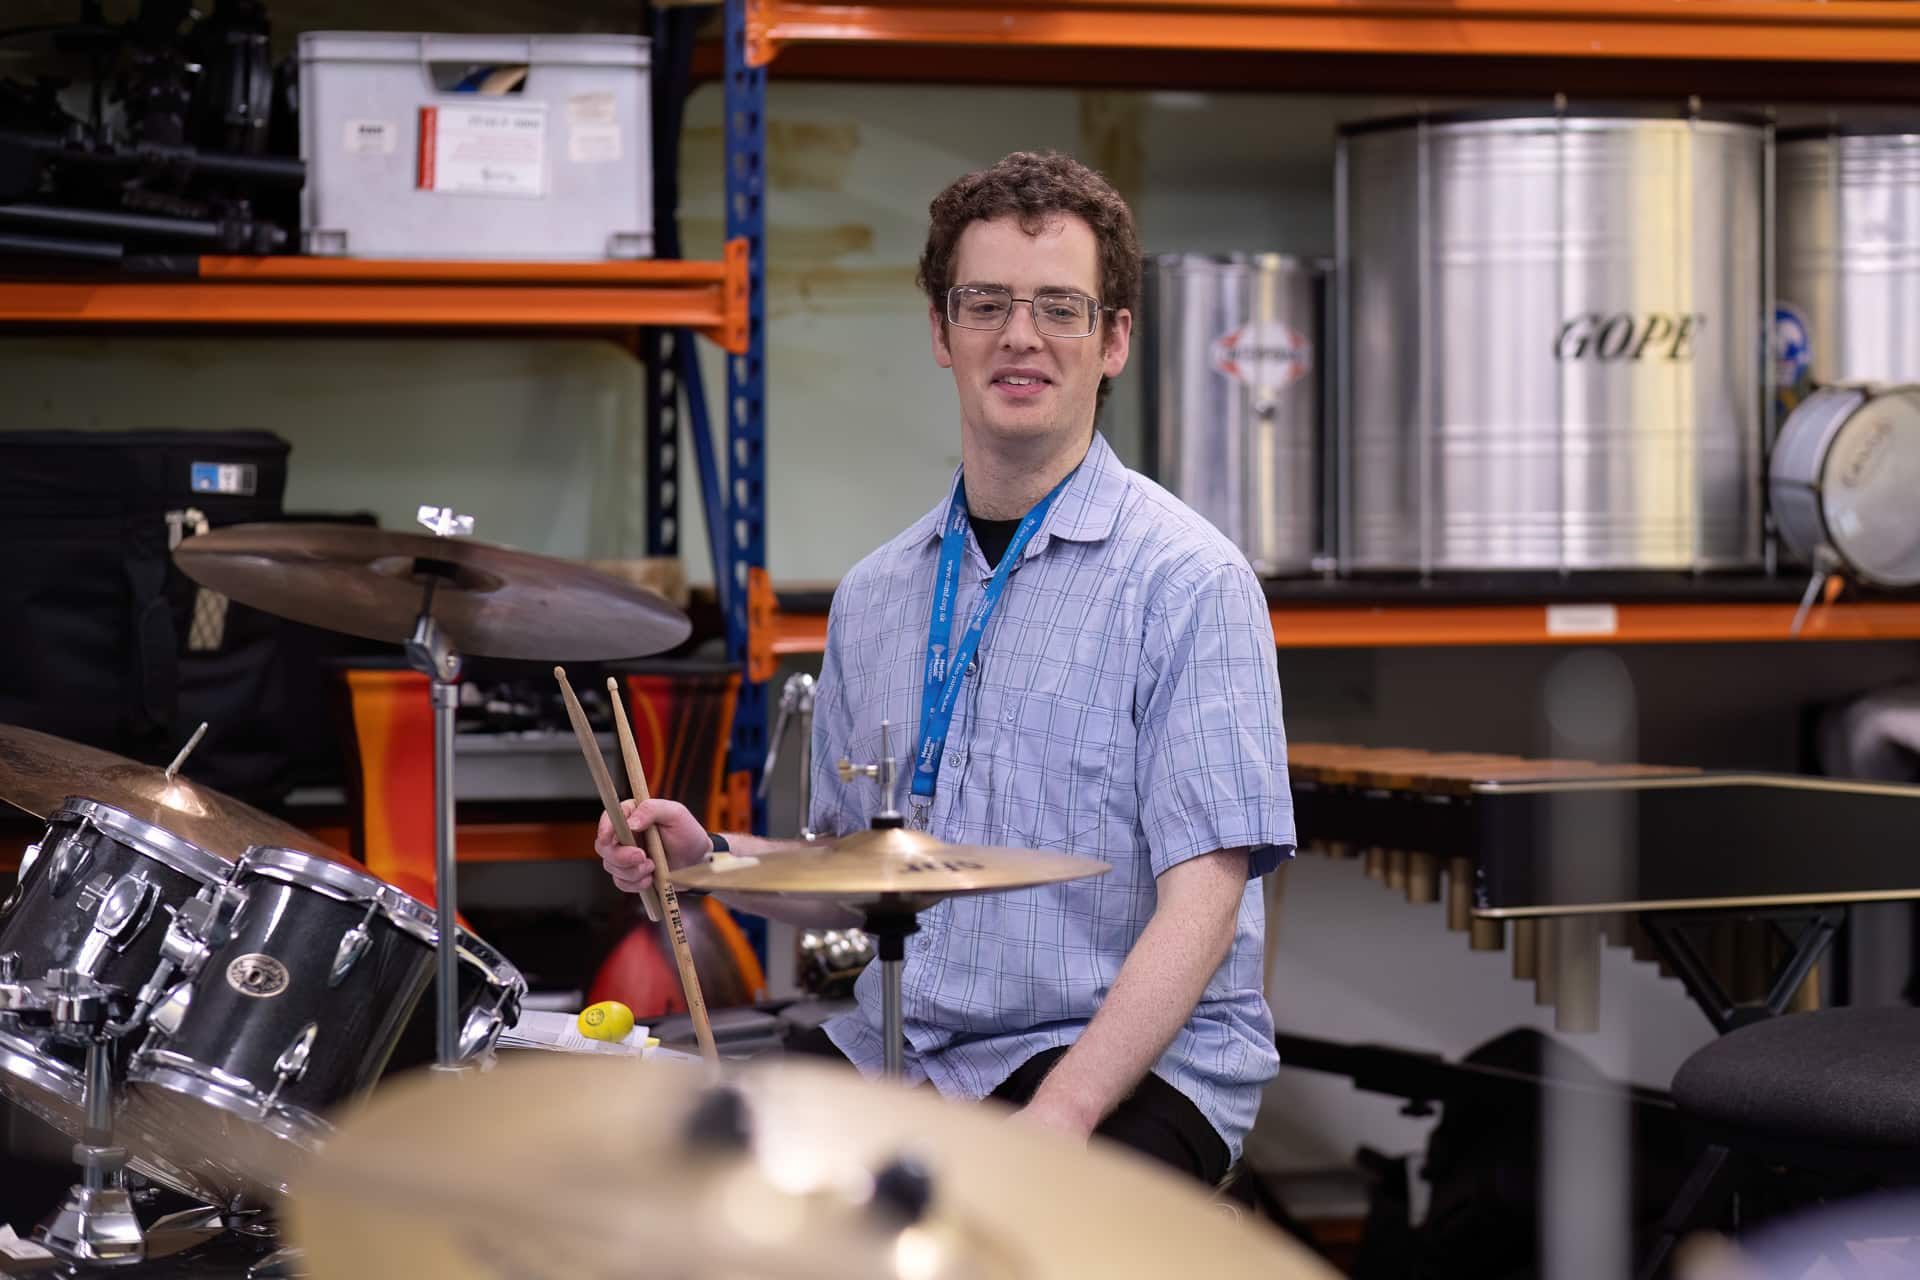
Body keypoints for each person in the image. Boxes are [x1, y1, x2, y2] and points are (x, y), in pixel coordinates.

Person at [596, 150, 1294, 1185]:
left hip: (1128, 1064)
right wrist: (708, 859)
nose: (1021, 336)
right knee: (685, 1185)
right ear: (940, 330)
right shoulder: (877, 596)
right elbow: (862, 882)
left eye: (1061, 307)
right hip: (915, 1050)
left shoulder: (1190, 581)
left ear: (1114, 341)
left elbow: (1206, 905)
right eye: (986, 304)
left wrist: (1060, 1113)